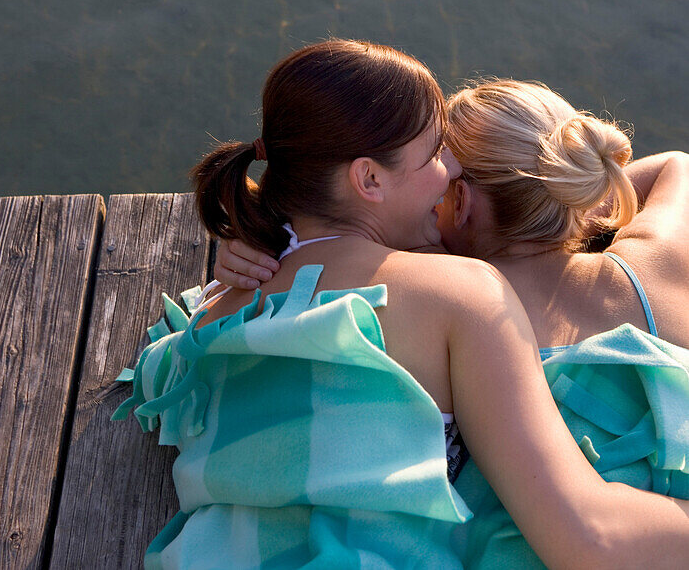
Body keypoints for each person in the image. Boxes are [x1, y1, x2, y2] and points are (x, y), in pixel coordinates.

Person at [115, 42, 689, 570]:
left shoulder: (222, 307)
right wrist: (571, 189)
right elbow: (589, 535)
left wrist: (268, 243)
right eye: (437, 154)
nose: (449, 173)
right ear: (367, 178)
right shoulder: (462, 294)